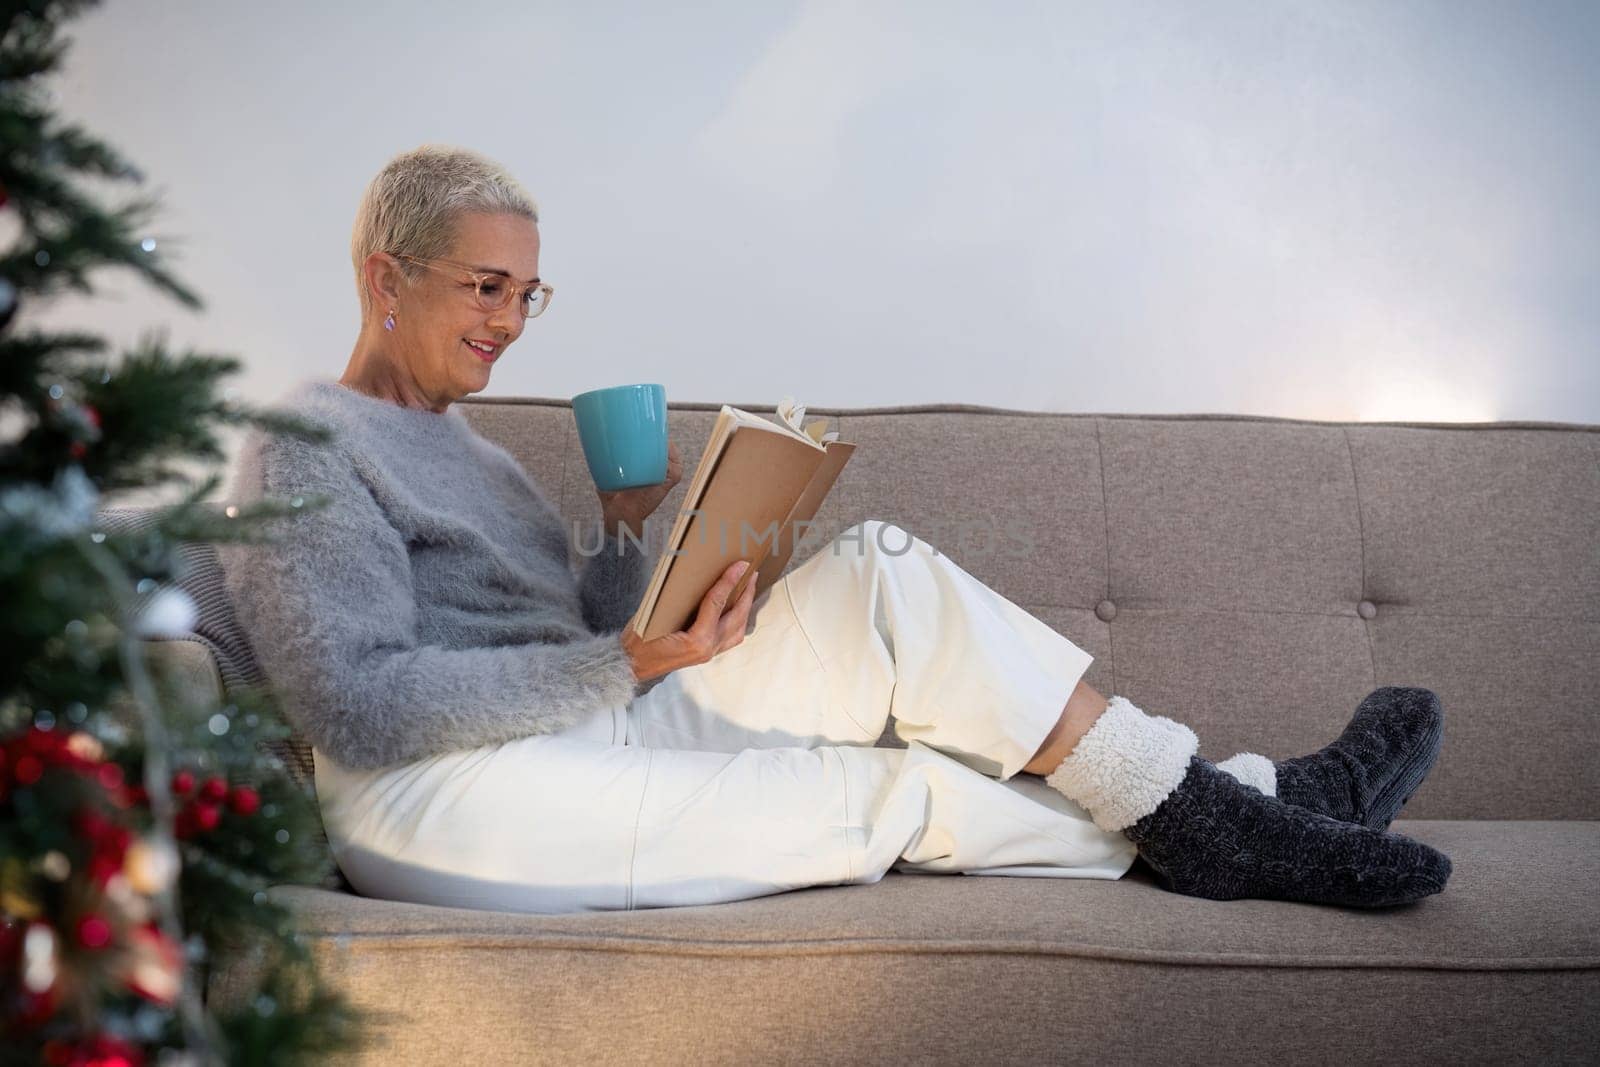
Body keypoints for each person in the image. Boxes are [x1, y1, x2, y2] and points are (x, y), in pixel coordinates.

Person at [217, 144, 1451, 916]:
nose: (511, 322)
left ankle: (1230, 800)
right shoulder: (305, 440)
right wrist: (623, 662)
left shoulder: (482, 458)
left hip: (592, 721)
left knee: (880, 572)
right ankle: (1247, 814)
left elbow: (583, 637)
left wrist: (634, 536)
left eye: (525, 292)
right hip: (435, 799)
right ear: (386, 277)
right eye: (486, 287)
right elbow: (357, 703)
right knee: (892, 790)